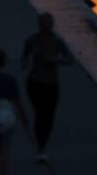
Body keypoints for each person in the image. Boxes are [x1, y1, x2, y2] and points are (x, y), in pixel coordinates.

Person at [21, 13, 73, 162]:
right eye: (43, 22)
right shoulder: (31, 40)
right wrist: (24, 63)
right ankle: (40, 147)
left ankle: (43, 144)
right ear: (39, 24)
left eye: (48, 22)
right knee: (39, 113)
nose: (45, 25)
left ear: (52, 24)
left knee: (49, 116)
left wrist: (55, 60)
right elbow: (24, 55)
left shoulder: (58, 41)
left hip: (52, 83)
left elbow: (70, 59)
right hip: (34, 81)